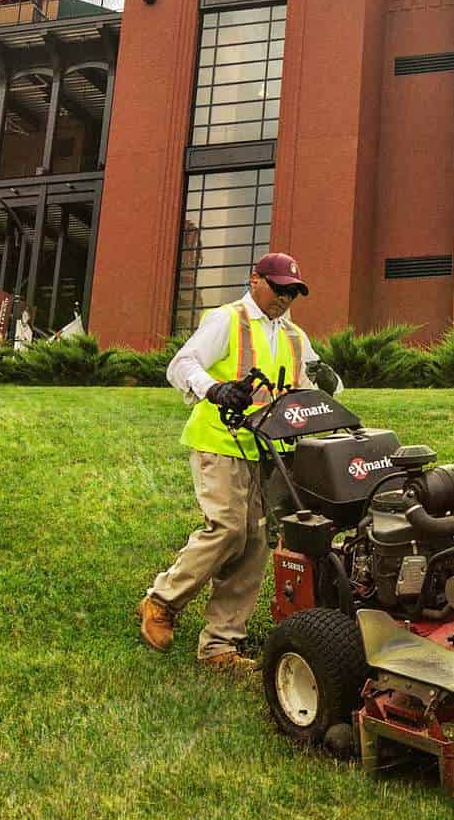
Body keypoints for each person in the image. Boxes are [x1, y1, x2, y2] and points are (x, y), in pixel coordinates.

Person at [138, 252, 322, 673]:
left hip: (265, 450)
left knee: (255, 544)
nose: (285, 298)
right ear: (255, 280)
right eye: (279, 288)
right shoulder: (227, 320)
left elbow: (313, 383)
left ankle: (220, 646)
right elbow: (181, 365)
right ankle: (161, 601)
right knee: (227, 528)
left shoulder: (295, 336)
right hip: (219, 440)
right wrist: (215, 389)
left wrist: (331, 384)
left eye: (293, 292)